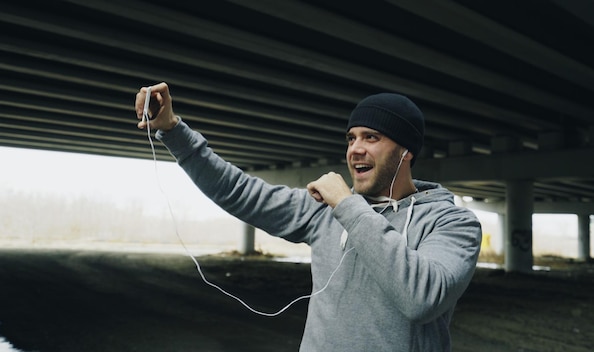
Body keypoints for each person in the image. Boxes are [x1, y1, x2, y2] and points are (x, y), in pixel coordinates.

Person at [134, 82, 482, 351]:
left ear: (406, 151)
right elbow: (236, 190)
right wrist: (174, 131)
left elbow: (421, 298)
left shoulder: (453, 223)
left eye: (371, 137)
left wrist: (348, 206)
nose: (355, 148)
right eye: (351, 138)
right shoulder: (323, 209)